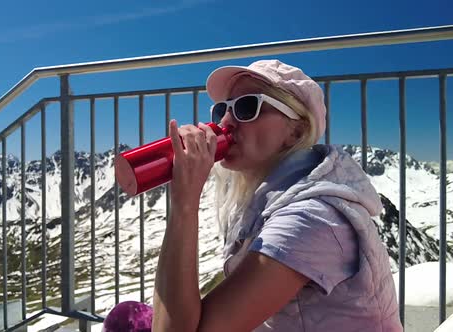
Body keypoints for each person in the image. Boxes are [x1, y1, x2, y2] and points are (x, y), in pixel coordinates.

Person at [105, 59, 403, 331]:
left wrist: (184, 203)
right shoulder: (275, 196)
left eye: (248, 107)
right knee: (126, 317)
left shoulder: (310, 219)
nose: (225, 123)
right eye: (223, 109)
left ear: (296, 132)